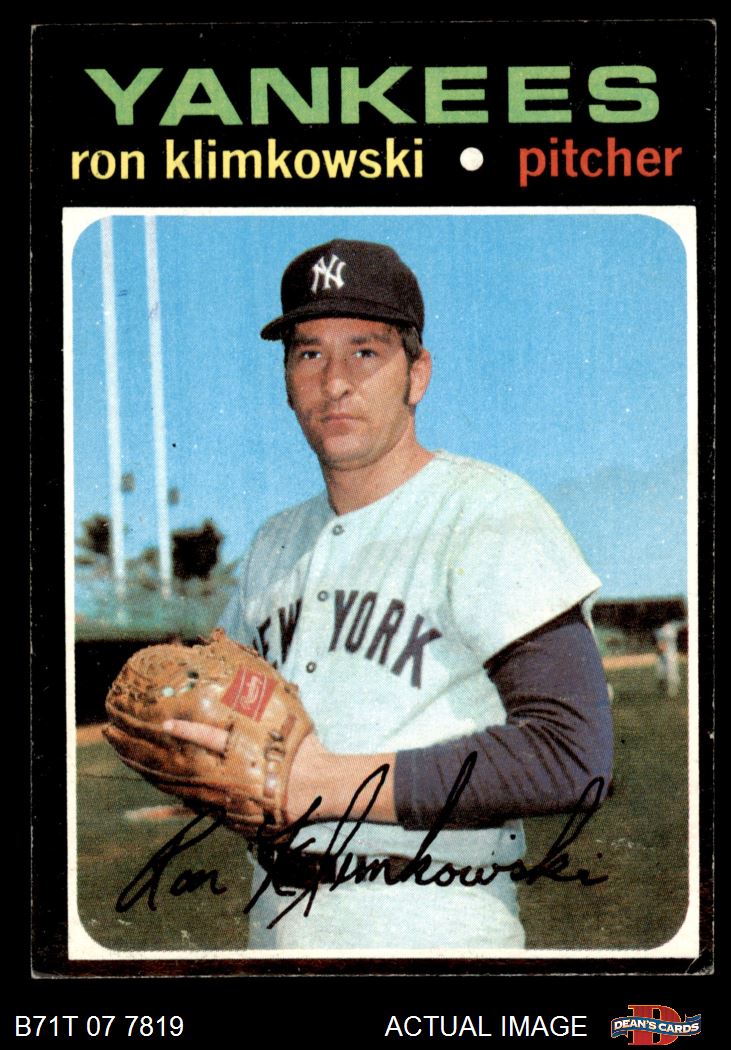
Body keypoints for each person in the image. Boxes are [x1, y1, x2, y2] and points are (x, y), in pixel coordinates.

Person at [168, 238, 613, 951]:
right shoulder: (272, 546)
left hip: (433, 926)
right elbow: (234, 728)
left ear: (417, 374)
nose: (334, 382)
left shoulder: (486, 510)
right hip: (274, 926)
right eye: (308, 353)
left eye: (365, 352)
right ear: (286, 382)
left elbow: (571, 752)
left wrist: (321, 782)